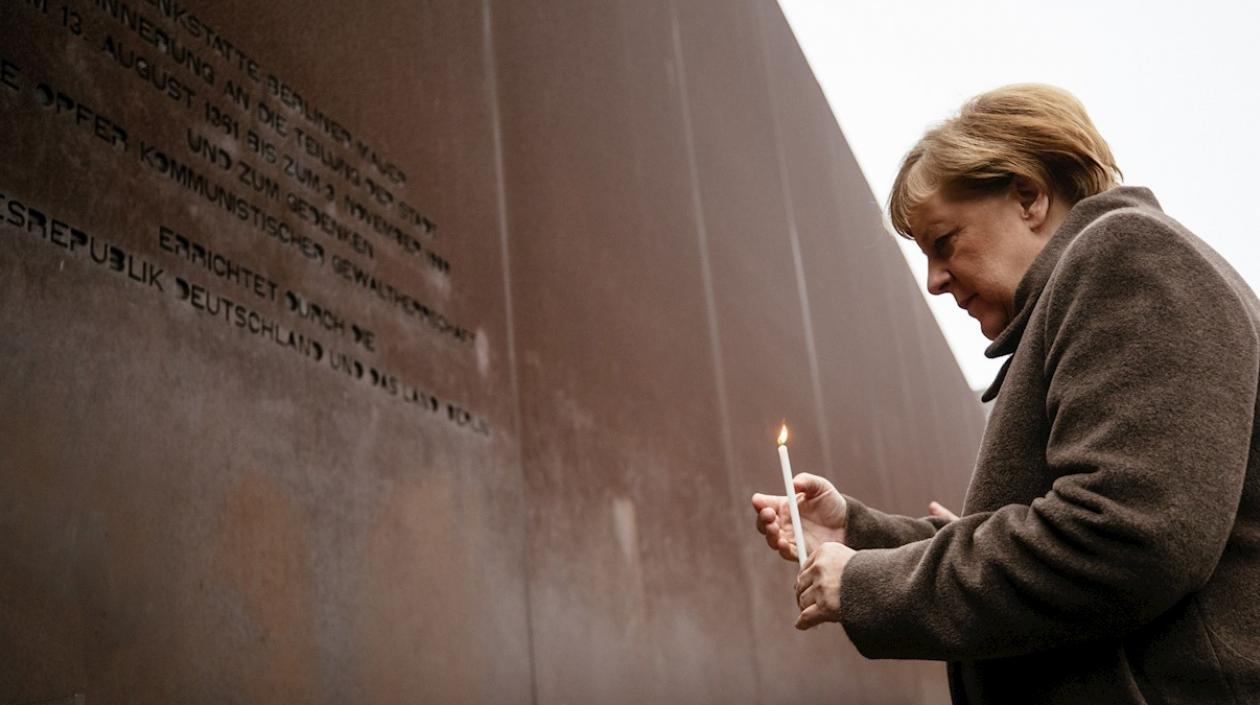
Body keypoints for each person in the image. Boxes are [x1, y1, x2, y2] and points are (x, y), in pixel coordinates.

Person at [752, 84, 1260, 704]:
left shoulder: (1128, 255)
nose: (936, 282)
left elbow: (1123, 537)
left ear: (1029, 196)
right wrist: (857, 536)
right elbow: (1063, 537)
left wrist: (866, 583)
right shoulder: (1091, 292)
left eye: (944, 243)